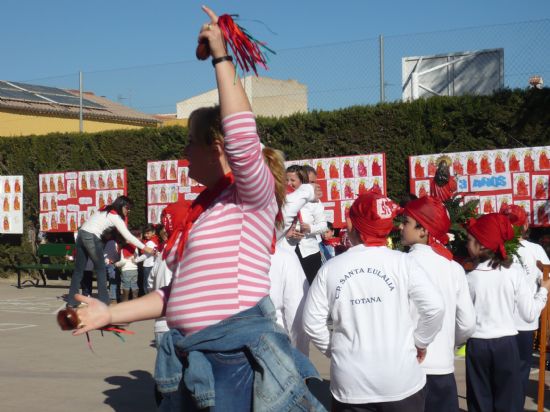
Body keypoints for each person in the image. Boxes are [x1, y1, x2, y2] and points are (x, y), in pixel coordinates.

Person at [71, 7, 324, 412]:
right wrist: (108, 312)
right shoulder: (203, 211)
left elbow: (242, 133)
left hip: (233, 360)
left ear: (217, 148)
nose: (185, 152)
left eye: (191, 141)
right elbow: (174, 295)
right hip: (197, 358)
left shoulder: (250, 198)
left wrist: (222, 57)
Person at [303, 190, 445, 412]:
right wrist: (420, 342)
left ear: (351, 225)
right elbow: (435, 307)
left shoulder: (331, 268)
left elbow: (311, 322)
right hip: (400, 381)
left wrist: (335, 350)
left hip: (350, 384)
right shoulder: (402, 263)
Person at [464, 213, 550, 412]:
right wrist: (543, 290)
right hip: (505, 344)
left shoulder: (469, 277)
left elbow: (463, 321)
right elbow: (529, 313)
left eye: (470, 240)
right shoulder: (512, 273)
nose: (467, 245)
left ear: (482, 244)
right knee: (508, 402)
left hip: (477, 344)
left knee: (479, 402)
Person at [400, 196, 476, 412]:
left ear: (423, 230)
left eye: (406, 222)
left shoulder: (401, 264)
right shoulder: (454, 268)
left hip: (407, 371)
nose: (400, 226)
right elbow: (468, 323)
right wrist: (450, 342)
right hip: (443, 368)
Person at [500, 204, 550, 403]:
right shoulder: (534, 249)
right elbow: (547, 277)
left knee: (503, 371)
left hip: (503, 320)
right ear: (526, 225)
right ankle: (515, 405)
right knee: (520, 369)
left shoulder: (497, 248)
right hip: (525, 319)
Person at [66, 196, 154, 308]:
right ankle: (103, 302)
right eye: (128, 208)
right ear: (122, 206)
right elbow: (127, 236)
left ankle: (71, 301)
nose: (129, 211)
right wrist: (146, 248)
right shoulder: (115, 216)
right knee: (101, 269)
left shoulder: (105, 209)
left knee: (79, 270)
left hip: (81, 234)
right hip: (91, 237)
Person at [286, 164, 327, 284]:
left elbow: (323, 225)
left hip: (309, 251)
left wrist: (310, 228)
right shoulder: (283, 199)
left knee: (313, 285)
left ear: (301, 182)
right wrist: (288, 233)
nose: (289, 183)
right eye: (286, 180)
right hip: (289, 250)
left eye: (292, 180)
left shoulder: (314, 202)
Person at [134, 224, 159, 294]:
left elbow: (145, 255)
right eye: (145, 233)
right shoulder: (155, 241)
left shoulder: (150, 243)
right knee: (151, 284)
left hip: (148, 265)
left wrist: (136, 260)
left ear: (153, 232)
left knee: (146, 285)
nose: (146, 235)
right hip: (153, 264)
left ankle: (147, 300)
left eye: (148, 233)